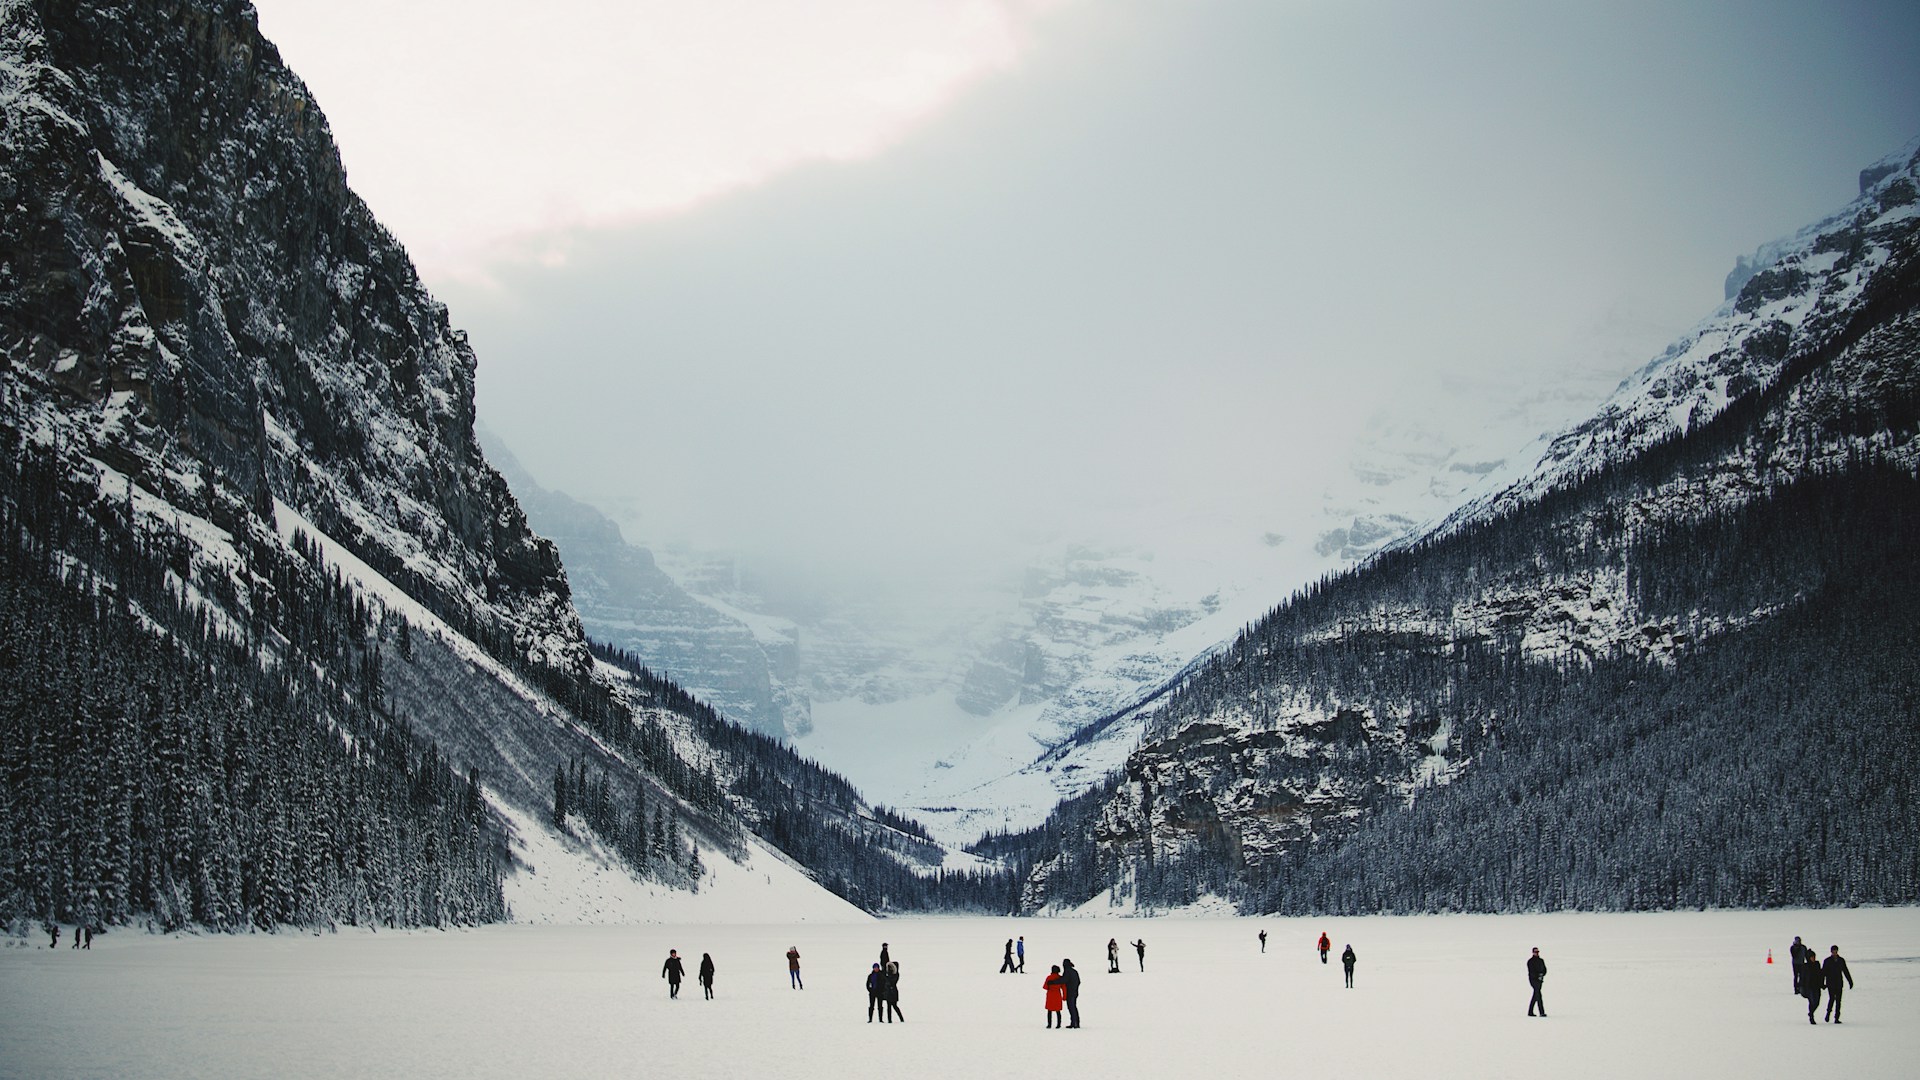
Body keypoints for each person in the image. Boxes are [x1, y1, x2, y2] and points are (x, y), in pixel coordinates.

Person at [1822, 946, 1854, 1023]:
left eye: (1835, 951)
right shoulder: (1827, 961)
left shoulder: (1841, 960)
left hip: (1839, 983)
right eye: (1833, 951)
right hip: (1830, 983)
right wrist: (1822, 983)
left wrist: (1850, 981)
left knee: (1838, 1001)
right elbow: (1823, 973)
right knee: (1832, 999)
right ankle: (1828, 1014)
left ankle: (1836, 1018)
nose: (1834, 952)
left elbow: (1845, 971)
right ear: (1831, 952)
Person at [1799, 949, 1824, 1025]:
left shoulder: (1817, 964)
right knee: (1812, 1001)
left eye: (1814, 957)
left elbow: (1820, 975)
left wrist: (1822, 984)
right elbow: (1802, 977)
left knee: (1817, 1002)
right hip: (1809, 987)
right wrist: (1800, 986)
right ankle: (1811, 1017)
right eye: (1812, 957)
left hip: (1816, 986)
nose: (1813, 958)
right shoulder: (1805, 966)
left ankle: (1811, 1013)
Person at [1526, 947, 1547, 1017]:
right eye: (1535, 952)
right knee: (1538, 995)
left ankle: (1530, 1012)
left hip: (1540, 980)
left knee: (1536, 995)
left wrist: (1542, 975)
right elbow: (1531, 971)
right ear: (1533, 952)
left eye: (1537, 952)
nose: (1536, 953)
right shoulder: (1530, 961)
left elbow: (1544, 969)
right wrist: (1537, 976)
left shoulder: (1541, 960)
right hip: (1533, 980)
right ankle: (1541, 1012)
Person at [1061, 958, 1082, 1028]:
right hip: (1075, 992)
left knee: (1071, 1007)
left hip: (1070, 992)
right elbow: (1078, 981)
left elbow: (1064, 980)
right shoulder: (1074, 971)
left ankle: (1074, 1023)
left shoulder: (1067, 971)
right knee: (1074, 1007)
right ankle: (1076, 1022)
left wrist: (1054, 982)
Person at [1043, 964, 1066, 1029]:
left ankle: (1049, 1024)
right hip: (1057, 995)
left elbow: (1045, 987)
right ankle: (1058, 1024)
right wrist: (1064, 997)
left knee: (1049, 1011)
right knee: (1058, 1011)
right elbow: (1064, 988)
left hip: (1050, 995)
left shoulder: (1048, 977)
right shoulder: (1060, 978)